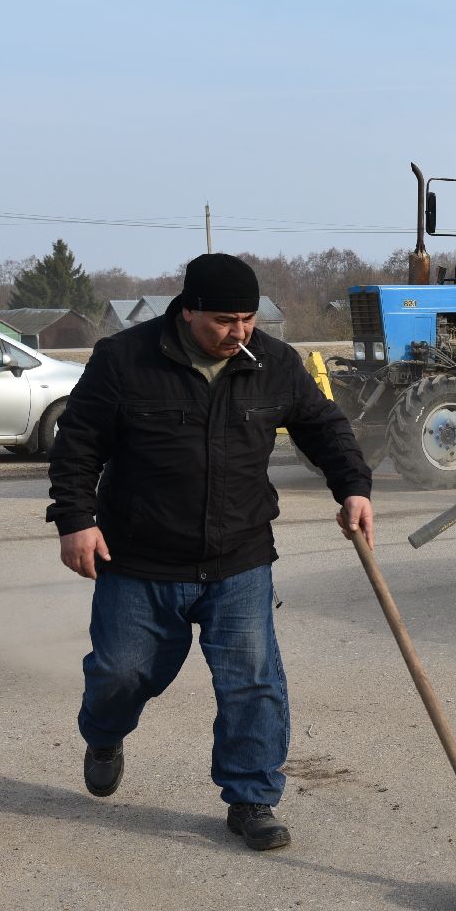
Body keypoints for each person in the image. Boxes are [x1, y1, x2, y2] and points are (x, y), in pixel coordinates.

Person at [46, 253, 374, 852]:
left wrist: (352, 487)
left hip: (239, 556)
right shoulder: (125, 360)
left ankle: (251, 797)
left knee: (252, 681)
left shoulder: (273, 364)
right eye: (225, 320)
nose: (239, 333)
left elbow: (324, 427)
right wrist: (75, 520)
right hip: (140, 558)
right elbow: (78, 443)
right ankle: (103, 734)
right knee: (122, 673)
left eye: (249, 319)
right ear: (188, 309)